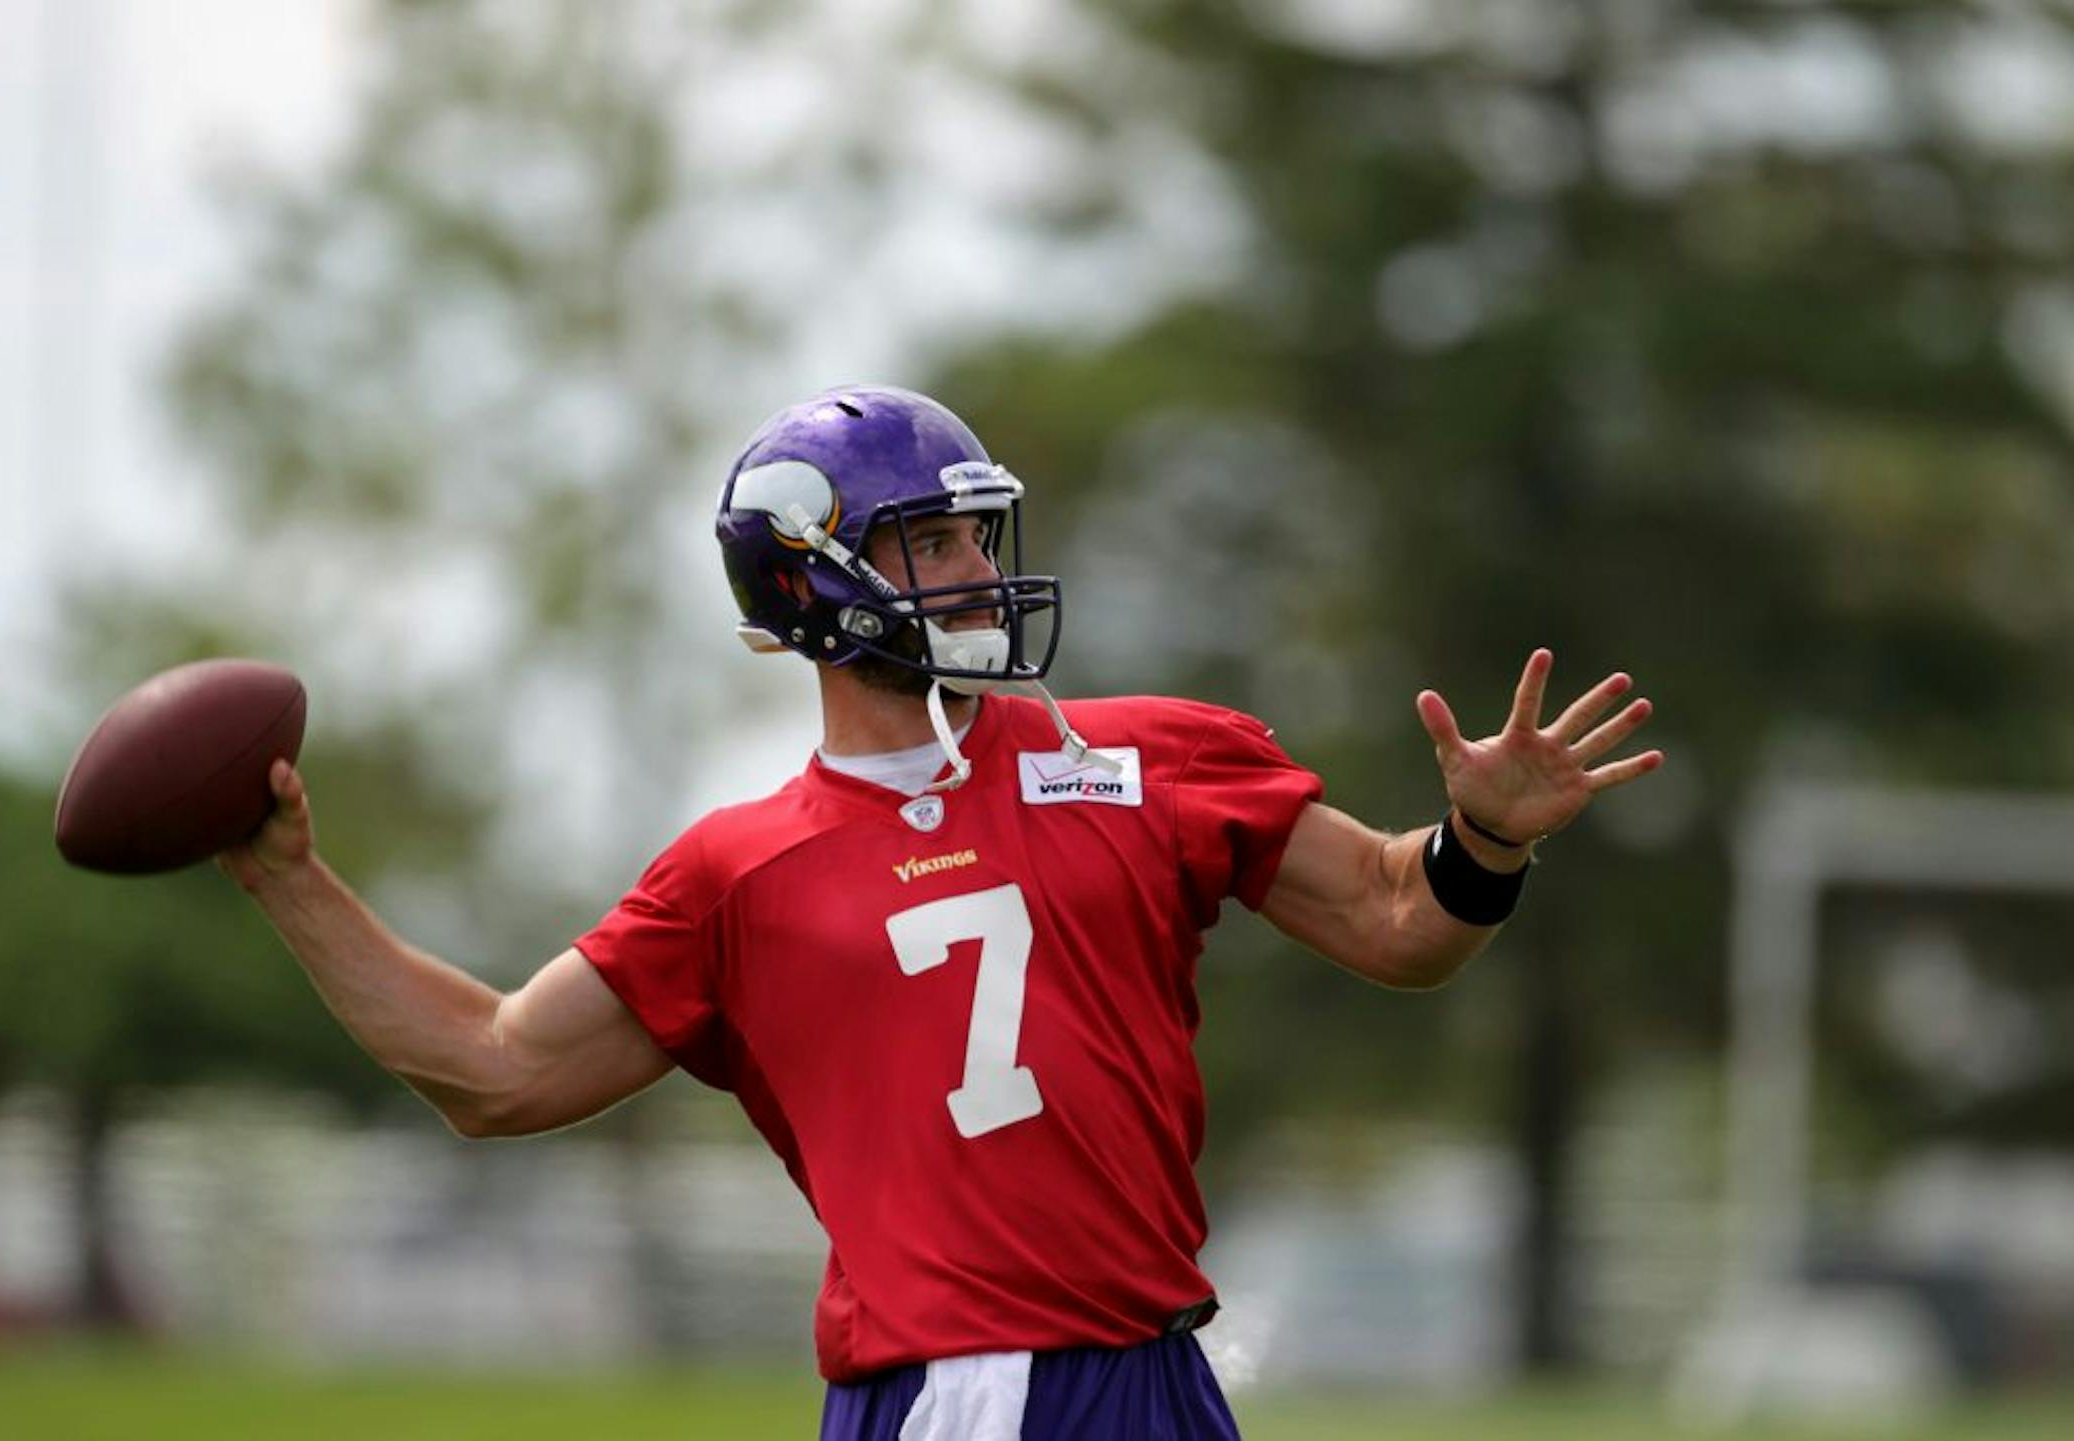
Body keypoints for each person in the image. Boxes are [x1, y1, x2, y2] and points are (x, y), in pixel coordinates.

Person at [221, 384, 1660, 1440]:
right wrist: (288, 875)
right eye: (933, 544)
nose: (979, 571)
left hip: (1155, 1372)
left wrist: (1480, 836)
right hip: (951, 1390)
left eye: (977, 536)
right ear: (817, 581)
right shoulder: (738, 871)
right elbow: (491, 1066)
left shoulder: (1148, 755)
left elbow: (1403, 921)